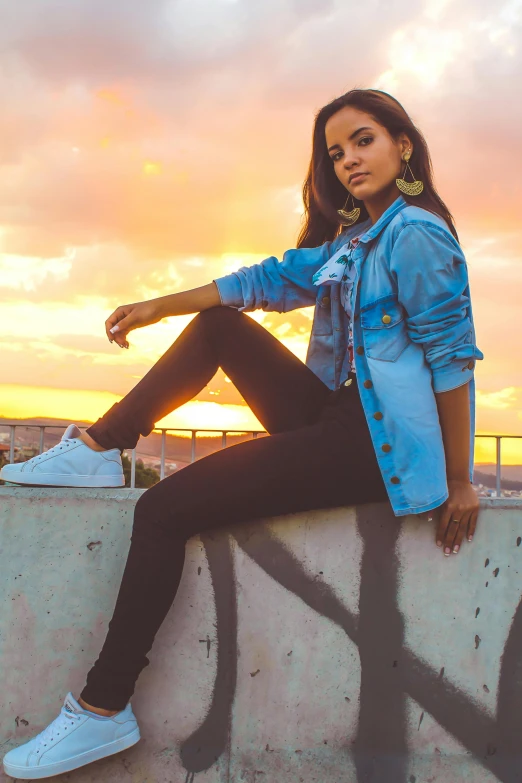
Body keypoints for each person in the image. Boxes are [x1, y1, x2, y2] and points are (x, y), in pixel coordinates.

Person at [2, 88, 483, 779]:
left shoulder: (415, 233)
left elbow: (451, 355)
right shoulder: (355, 242)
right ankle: (101, 446)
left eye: (364, 140)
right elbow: (266, 279)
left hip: (373, 449)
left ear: (403, 145)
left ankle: (102, 708)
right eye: (335, 150)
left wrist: (461, 477)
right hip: (341, 418)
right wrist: (158, 305)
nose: (348, 159)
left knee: (162, 509)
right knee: (221, 324)